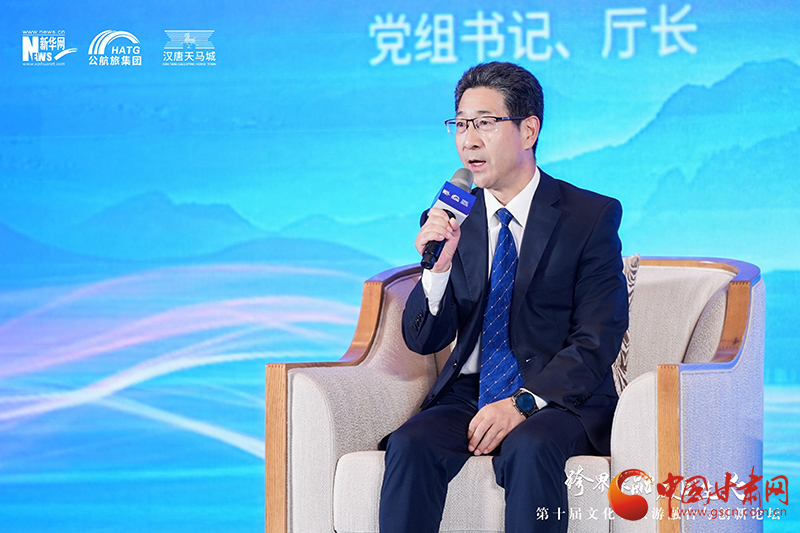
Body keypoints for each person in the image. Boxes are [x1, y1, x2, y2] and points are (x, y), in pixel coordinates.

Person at [378, 62, 629, 533]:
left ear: (528, 130)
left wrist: (522, 403)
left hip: (559, 399)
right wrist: (438, 269)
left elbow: (599, 335)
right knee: (410, 444)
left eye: (485, 123)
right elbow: (423, 339)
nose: (468, 140)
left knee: (530, 446)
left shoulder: (588, 216)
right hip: (470, 393)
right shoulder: (452, 219)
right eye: (460, 124)